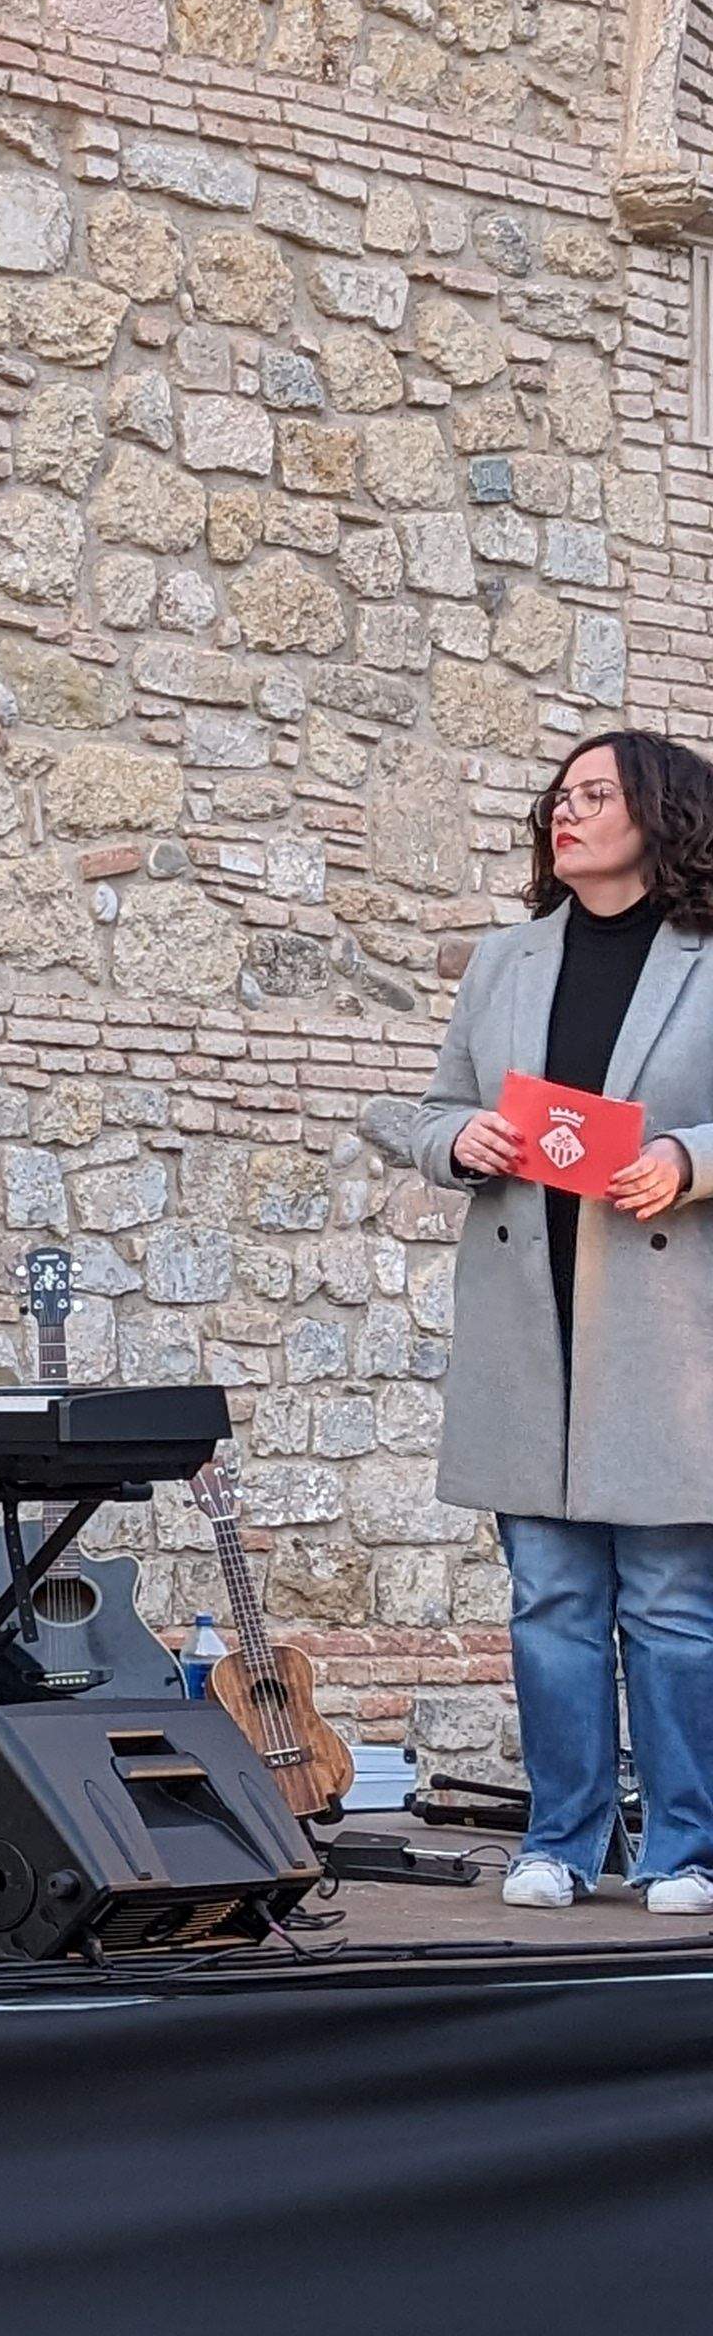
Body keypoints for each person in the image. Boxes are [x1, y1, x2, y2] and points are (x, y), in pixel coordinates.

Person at [379, 730, 713, 1917]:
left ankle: (686, 1848)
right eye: (558, 796)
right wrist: (455, 1142)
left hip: (670, 1335)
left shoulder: (710, 957)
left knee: (671, 1607)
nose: (564, 813)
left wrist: (688, 1156)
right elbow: (433, 1108)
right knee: (551, 1601)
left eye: (593, 795)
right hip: (534, 1322)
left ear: (661, 815)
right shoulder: (508, 961)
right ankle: (564, 1839)